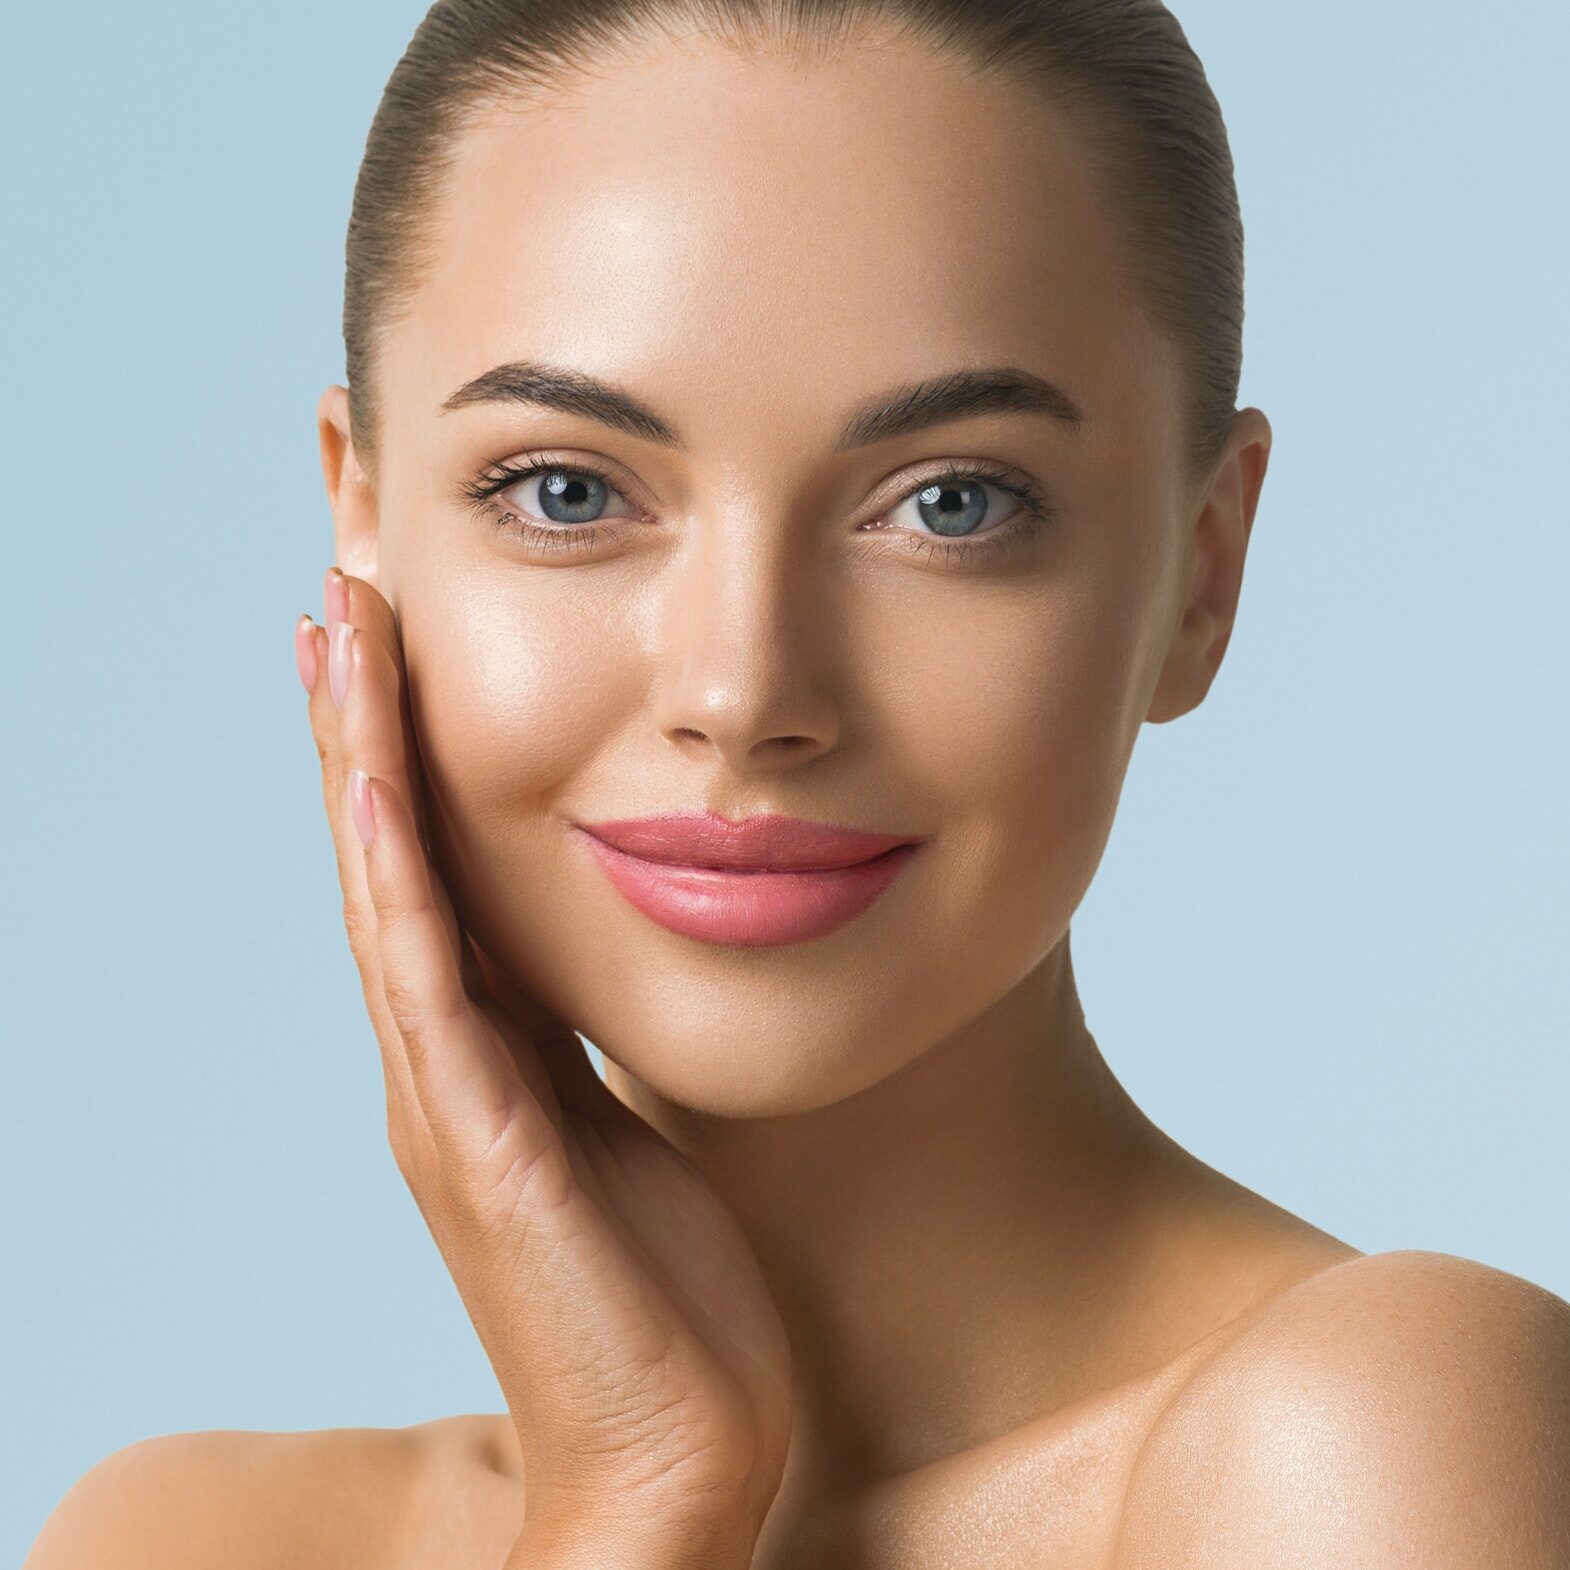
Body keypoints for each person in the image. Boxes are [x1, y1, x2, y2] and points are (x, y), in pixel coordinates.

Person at [26, 2, 1570, 1567]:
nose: (741, 691)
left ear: (1201, 574)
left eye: (950, 503)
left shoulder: (1373, 1436)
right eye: (567, 491)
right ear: (362, 525)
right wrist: (636, 1501)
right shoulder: (187, 1533)